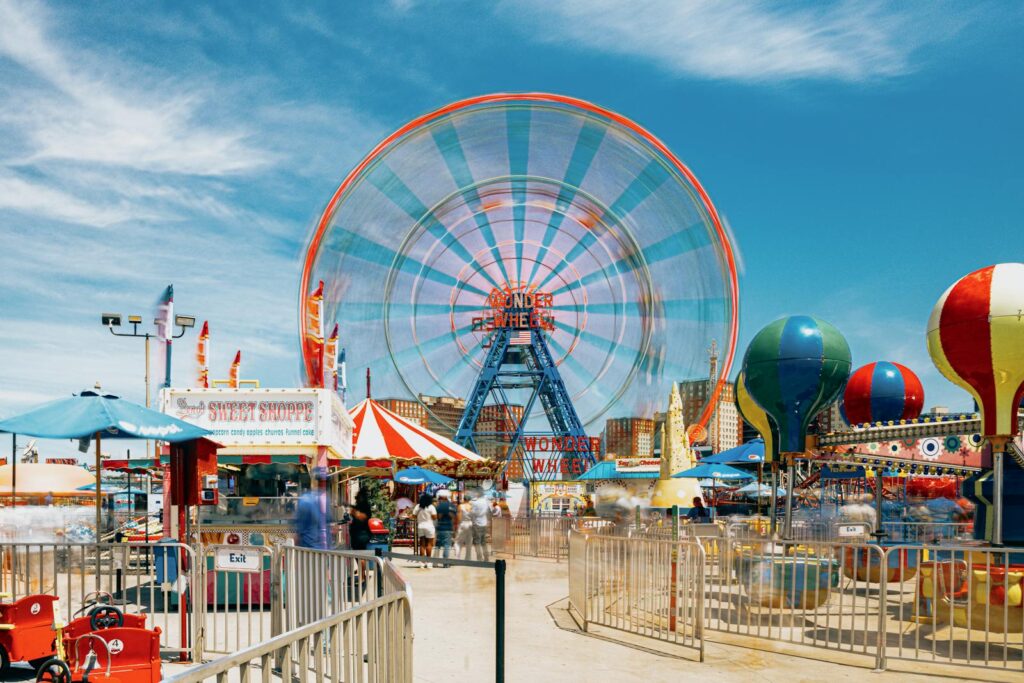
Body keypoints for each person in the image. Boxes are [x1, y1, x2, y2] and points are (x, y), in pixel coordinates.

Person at [295, 467, 329, 550]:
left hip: (323, 547)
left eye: (325, 482)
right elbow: (300, 527)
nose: (323, 485)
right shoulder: (306, 500)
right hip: (309, 547)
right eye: (320, 481)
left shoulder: (326, 500)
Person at [411, 492, 437, 568]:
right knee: (429, 544)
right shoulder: (431, 507)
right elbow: (435, 517)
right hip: (429, 527)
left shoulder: (418, 506)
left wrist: (420, 518)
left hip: (420, 526)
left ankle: (422, 562)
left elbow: (413, 516)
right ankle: (428, 562)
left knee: (422, 545)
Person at [434, 489, 456, 567]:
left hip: (440, 527)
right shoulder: (452, 506)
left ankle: (435, 562)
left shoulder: (439, 506)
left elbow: (438, 517)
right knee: (447, 545)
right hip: (448, 527)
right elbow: (453, 518)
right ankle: (445, 563)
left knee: (437, 545)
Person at [469, 492, 492, 561]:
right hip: (484, 525)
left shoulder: (475, 503)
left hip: (477, 525)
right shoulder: (486, 503)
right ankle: (486, 557)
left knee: (477, 542)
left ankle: (479, 558)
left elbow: (472, 514)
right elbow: (489, 514)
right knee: (483, 542)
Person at [348, 487, 372, 551]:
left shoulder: (365, 506)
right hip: (357, 533)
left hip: (361, 533)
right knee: (358, 554)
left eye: (357, 497)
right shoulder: (359, 505)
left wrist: (354, 511)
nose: (356, 499)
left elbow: (362, 517)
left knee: (361, 554)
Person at [456, 493, 475, 559]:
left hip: (462, 524)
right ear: (470, 499)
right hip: (470, 524)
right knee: (469, 542)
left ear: (464, 499)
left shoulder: (460, 506)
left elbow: (459, 517)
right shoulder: (472, 507)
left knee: (458, 542)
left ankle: (457, 557)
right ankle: (468, 558)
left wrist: (457, 526)